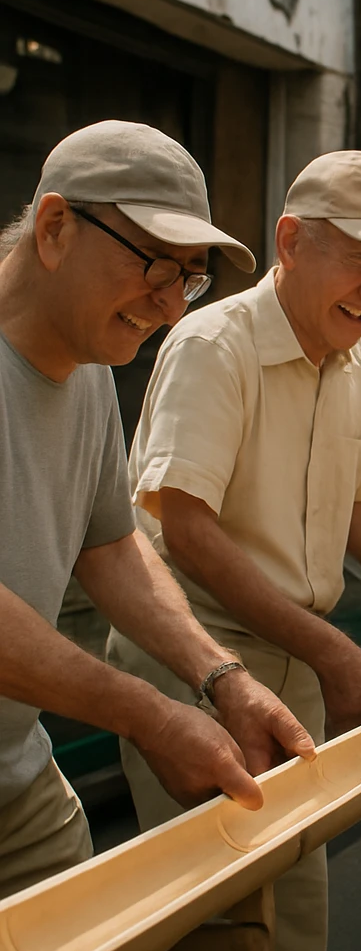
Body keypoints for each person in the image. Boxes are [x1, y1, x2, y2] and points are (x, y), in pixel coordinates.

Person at [106, 151, 361, 951]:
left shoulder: (356, 361)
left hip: (294, 660)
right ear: (289, 242)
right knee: (213, 924)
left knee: (293, 908)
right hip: (199, 662)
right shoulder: (214, 344)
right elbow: (186, 531)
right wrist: (337, 654)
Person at [0, 121, 315, 901]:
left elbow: (111, 547)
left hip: (19, 779)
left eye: (190, 279)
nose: (171, 306)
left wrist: (221, 679)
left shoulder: (87, 373)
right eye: (154, 265)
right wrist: (149, 714)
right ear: (54, 227)